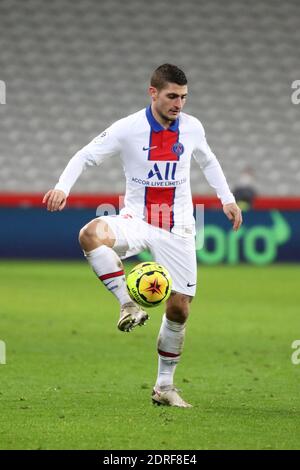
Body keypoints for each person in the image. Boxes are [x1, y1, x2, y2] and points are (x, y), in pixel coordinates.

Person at [43, 64, 242, 408]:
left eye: (183, 97)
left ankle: (164, 387)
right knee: (90, 234)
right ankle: (127, 303)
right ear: (153, 93)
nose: (179, 103)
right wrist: (62, 187)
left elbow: (209, 161)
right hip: (137, 219)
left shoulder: (192, 128)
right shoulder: (128, 129)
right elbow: (85, 156)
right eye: (172, 96)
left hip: (178, 227)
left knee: (179, 309)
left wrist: (227, 199)